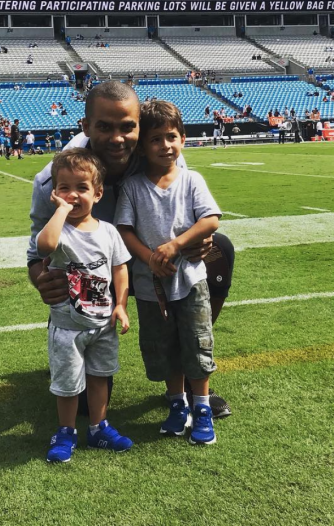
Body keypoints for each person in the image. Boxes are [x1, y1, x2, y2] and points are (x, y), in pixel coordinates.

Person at [27, 81, 234, 419]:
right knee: (82, 405)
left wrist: (198, 240)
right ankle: (73, 352)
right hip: (91, 273)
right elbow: (36, 249)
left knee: (219, 251)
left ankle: (188, 365)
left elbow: (189, 215)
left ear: (139, 124)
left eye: (128, 127)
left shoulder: (159, 154)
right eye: (104, 127)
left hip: (155, 263)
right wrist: (39, 275)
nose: (117, 138)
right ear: (86, 126)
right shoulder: (54, 180)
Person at [115, 100, 221, 445]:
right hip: (150, 287)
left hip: (191, 281)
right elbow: (124, 231)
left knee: (197, 343)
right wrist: (148, 257)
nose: (165, 146)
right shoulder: (132, 186)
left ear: (184, 139)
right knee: (164, 346)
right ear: (142, 147)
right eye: (156, 139)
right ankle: (177, 404)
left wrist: (174, 246)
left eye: (171, 137)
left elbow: (210, 219)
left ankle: (201, 407)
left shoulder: (192, 180)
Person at [37, 149, 133, 462]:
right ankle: (65, 431)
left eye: (81, 188)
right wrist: (61, 211)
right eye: (64, 188)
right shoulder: (59, 230)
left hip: (103, 324)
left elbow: (119, 269)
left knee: (99, 377)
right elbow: (44, 246)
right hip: (68, 327)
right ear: (54, 193)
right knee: (67, 385)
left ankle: (98, 427)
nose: (73, 195)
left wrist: (121, 305)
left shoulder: (109, 231)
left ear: (98, 192)